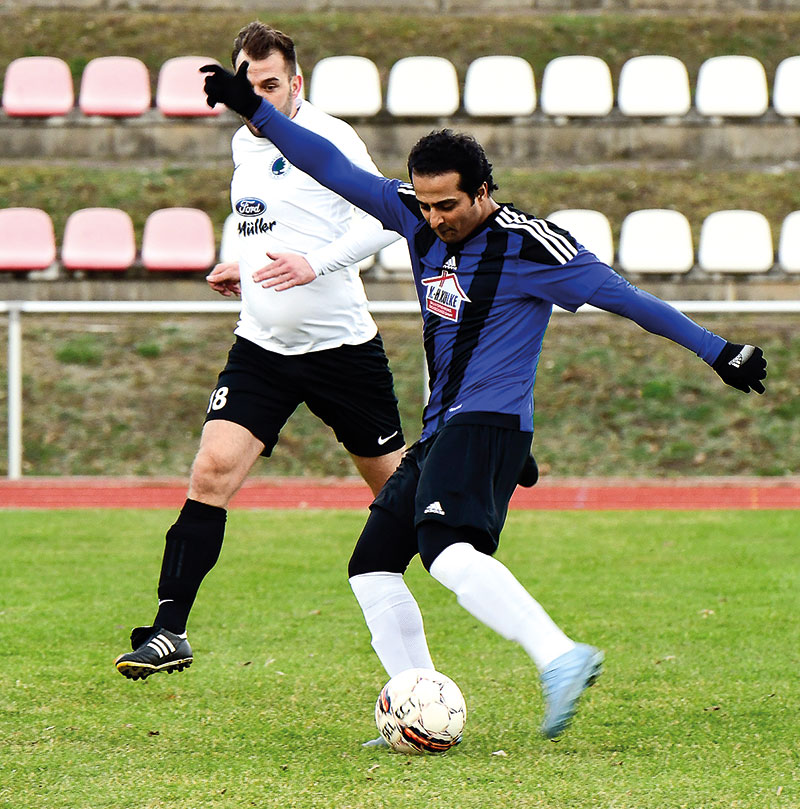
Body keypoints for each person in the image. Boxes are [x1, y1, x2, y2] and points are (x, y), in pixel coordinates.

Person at [200, 62, 768, 740]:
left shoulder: (532, 245)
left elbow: (628, 299)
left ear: (484, 192)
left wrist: (718, 350)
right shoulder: (412, 217)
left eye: (449, 205)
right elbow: (329, 166)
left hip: (490, 421)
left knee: (445, 551)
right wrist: (255, 111)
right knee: (372, 566)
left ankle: (560, 656)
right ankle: (418, 708)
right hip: (444, 427)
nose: (435, 217)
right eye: (426, 203)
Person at [114, 22, 407, 681]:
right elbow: (266, 226)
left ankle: (472, 559)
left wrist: (313, 264)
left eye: (270, 85)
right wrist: (241, 267)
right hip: (262, 348)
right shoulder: (243, 149)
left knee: (402, 496)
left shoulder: (329, 137)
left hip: (342, 350)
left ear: (295, 84)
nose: (258, 97)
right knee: (212, 470)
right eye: (248, 86)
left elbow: (385, 221)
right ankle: (169, 630)